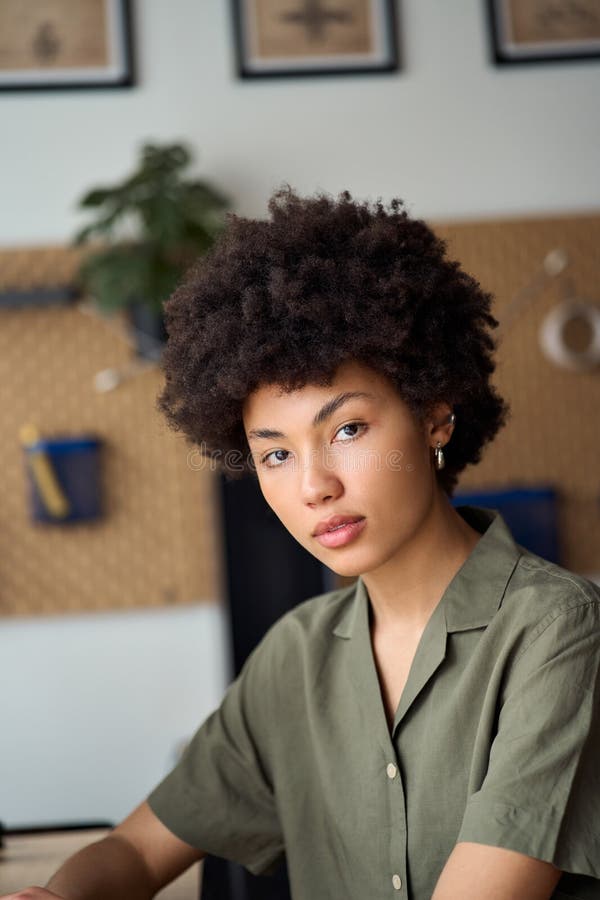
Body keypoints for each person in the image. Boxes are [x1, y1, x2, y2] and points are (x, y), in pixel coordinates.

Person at [5, 187, 599, 900]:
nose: (314, 486)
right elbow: (134, 848)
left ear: (437, 415)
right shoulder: (296, 655)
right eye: (276, 454)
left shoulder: (558, 630)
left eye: (347, 429)